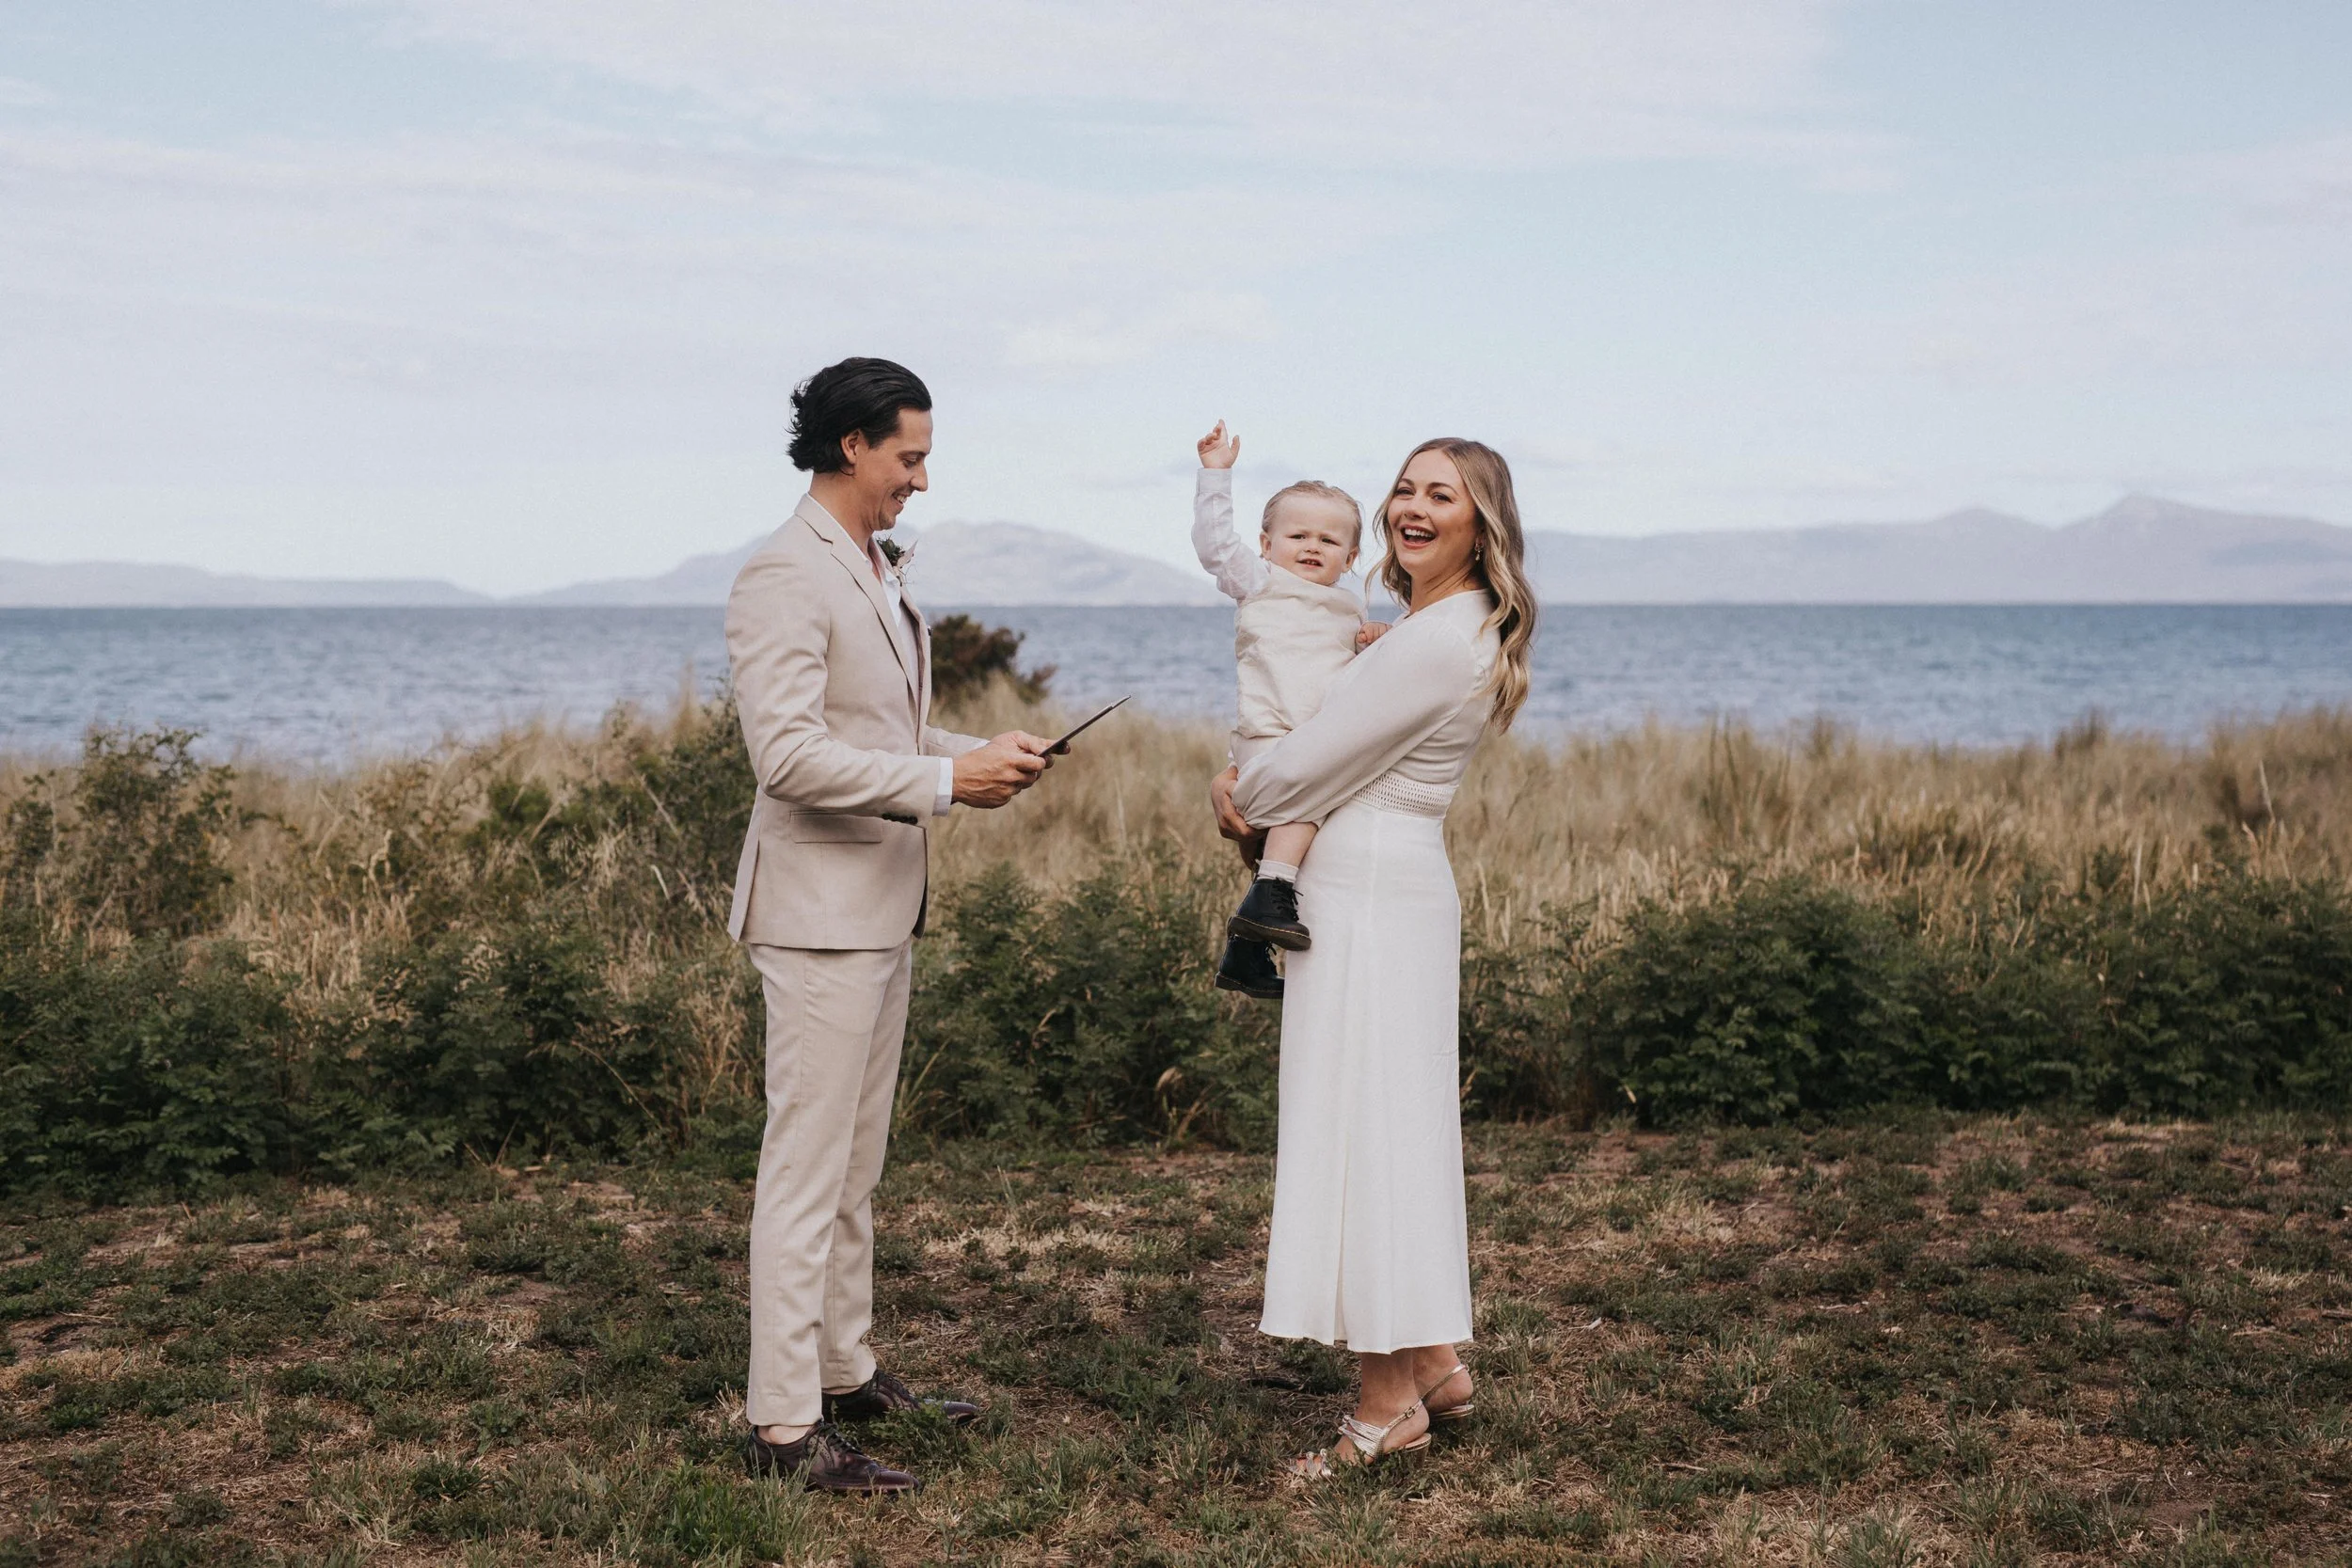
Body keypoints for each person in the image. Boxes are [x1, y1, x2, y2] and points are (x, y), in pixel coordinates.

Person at [729, 356, 1057, 1494]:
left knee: (853, 1168)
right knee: (805, 1172)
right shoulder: (783, 573)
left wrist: (973, 752)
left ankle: (845, 1369)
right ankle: (780, 1426)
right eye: (910, 455)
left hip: (879, 904)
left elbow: (878, 720)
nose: (922, 476)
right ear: (853, 444)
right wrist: (941, 781)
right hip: (817, 912)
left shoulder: (870, 564)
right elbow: (786, 756)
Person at [1210, 437, 1537, 1479]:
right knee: (1382, 1126)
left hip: (1369, 903)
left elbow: (1292, 772)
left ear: (1482, 523)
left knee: (1365, 1136)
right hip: (1369, 892)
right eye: (1403, 487)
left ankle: (1386, 1401)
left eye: (1440, 495)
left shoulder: (1438, 639)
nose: (1411, 506)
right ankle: (1432, 1359)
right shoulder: (1419, 629)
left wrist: (1240, 793)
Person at [1188, 420, 1385, 1000]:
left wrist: (1372, 640)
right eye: (1297, 536)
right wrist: (1215, 475)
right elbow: (1213, 546)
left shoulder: (1349, 605)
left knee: (1313, 810)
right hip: (1269, 736)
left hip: (1308, 736)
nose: (1311, 548)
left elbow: (1354, 677)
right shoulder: (1260, 583)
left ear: (1350, 556)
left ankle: (1245, 955)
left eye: (1328, 542)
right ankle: (1270, 891)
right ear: (1266, 544)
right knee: (1308, 795)